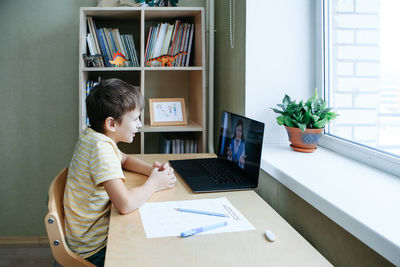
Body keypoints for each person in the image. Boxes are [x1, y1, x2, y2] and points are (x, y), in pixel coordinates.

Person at [63, 78, 176, 267]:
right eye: (135, 119)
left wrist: (151, 171)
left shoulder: (94, 137)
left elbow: (123, 159)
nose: (139, 125)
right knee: (156, 250)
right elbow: (125, 204)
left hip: (86, 237)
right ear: (112, 124)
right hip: (94, 248)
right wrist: (155, 184)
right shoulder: (101, 149)